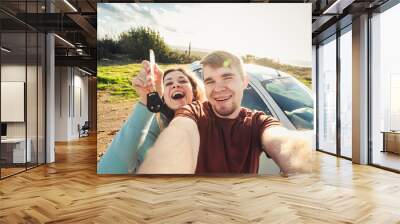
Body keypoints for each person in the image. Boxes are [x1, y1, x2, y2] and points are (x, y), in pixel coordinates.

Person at [138, 51, 313, 175]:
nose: (219, 88)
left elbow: (286, 143)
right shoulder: (192, 112)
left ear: (244, 82)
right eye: (210, 81)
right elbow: (179, 133)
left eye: (227, 77)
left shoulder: (259, 122)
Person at [97, 61, 205, 174]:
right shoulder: (152, 129)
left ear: (194, 90)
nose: (175, 85)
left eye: (182, 81)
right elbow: (107, 171)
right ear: (164, 98)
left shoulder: (210, 123)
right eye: (168, 83)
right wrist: (145, 102)